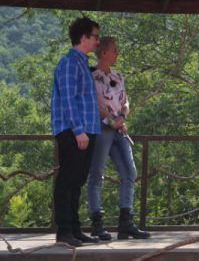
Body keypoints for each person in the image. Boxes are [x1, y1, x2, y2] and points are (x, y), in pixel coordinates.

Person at [86, 37, 150, 241]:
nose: (117, 53)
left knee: (129, 172)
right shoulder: (90, 76)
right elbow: (93, 102)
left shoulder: (118, 76)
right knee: (97, 173)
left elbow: (125, 100)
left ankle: (126, 223)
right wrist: (109, 119)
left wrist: (123, 116)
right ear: (103, 53)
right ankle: (97, 223)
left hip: (119, 130)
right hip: (101, 129)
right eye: (114, 50)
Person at [50, 17, 102, 246]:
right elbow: (68, 100)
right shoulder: (70, 63)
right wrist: (79, 130)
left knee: (77, 181)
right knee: (67, 181)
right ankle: (64, 231)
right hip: (74, 131)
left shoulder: (82, 62)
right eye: (95, 37)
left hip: (86, 131)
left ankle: (75, 229)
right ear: (84, 37)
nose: (97, 42)